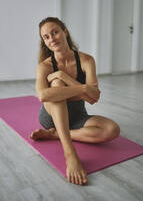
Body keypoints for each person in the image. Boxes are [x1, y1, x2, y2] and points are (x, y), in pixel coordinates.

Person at [30, 17, 120, 186]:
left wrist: (63, 76)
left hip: (78, 116)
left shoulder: (86, 60)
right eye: (46, 37)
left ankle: (55, 135)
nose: (51, 39)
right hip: (50, 117)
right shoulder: (45, 66)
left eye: (55, 32)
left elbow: (94, 98)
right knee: (55, 85)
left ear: (65, 32)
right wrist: (83, 89)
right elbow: (43, 96)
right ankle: (70, 153)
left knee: (112, 129)